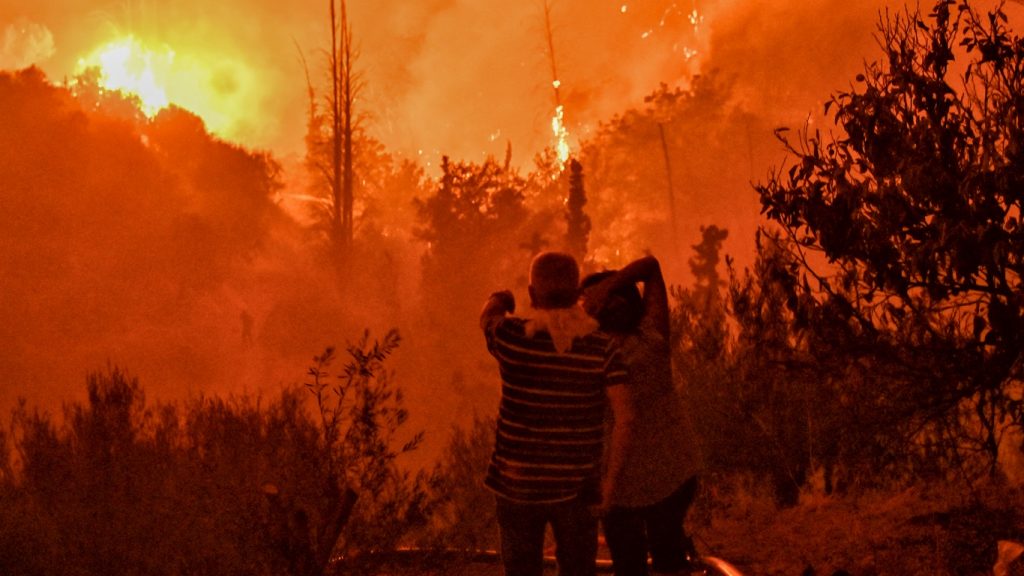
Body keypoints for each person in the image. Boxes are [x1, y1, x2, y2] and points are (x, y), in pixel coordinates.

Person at [481, 251, 628, 576]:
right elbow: (625, 416)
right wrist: (610, 483)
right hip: (578, 487)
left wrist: (499, 299)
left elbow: (487, 320)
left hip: (516, 484)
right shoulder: (601, 347)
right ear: (578, 296)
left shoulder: (512, 337)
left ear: (532, 295)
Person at [581, 255, 702, 576]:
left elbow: (650, 265)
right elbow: (649, 266)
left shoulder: (640, 339)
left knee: (648, 560)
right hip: (650, 475)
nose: (608, 302)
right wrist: (609, 287)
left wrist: (603, 287)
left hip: (647, 477)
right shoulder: (645, 337)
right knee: (653, 558)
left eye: (614, 294)